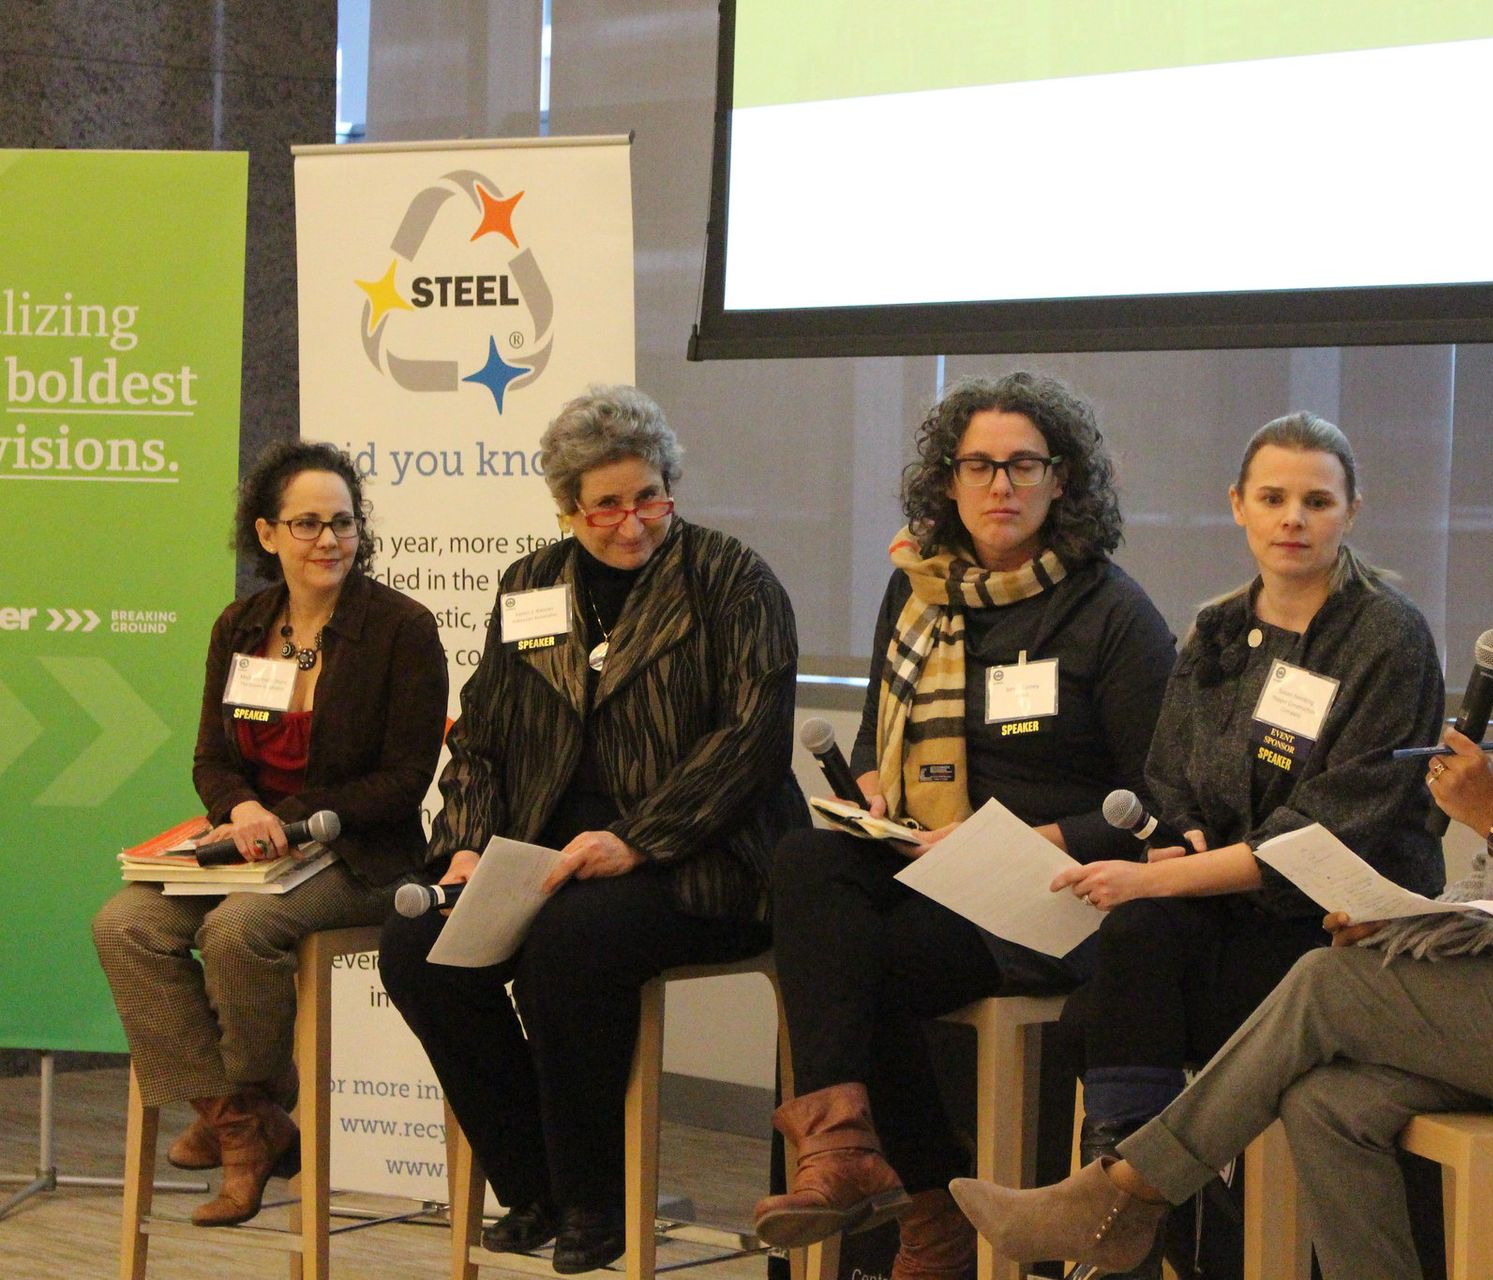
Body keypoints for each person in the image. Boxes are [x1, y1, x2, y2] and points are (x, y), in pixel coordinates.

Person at [949, 432, 1493, 1280]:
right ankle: (1129, 1197)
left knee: (1324, 982)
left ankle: (1126, 1195)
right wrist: (1421, 926)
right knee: (1327, 1099)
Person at [752, 371, 1176, 1280]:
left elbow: (1156, 804)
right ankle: (849, 1157)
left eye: (1024, 465)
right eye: (978, 465)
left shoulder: (1113, 613)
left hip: (1050, 888)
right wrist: (871, 789)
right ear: (947, 481)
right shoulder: (918, 590)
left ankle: (919, 1201)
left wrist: (1014, 844)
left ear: (1064, 480)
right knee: (803, 857)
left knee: (858, 965)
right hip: (933, 862)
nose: (1001, 486)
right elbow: (877, 738)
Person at [378, 385, 808, 1275]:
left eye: (648, 495)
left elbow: (752, 742)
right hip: (546, 857)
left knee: (567, 945)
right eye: (605, 503)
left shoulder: (731, 578)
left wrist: (639, 840)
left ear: (670, 485)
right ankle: (531, 1180)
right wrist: (464, 841)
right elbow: (482, 738)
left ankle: (595, 1197)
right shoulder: (531, 583)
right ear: (568, 506)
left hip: (706, 859)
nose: (631, 521)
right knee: (417, 942)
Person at [1046, 412, 1444, 1278]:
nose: (1292, 518)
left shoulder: (1387, 635)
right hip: (1228, 915)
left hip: (1341, 937)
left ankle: (1121, 1202)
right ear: (1238, 506)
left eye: (1316, 500)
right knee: (1131, 945)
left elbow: (1331, 830)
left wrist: (1170, 878)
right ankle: (1127, 1205)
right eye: (1273, 497)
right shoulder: (1217, 629)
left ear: (1352, 512)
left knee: (1101, 1002)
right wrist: (1181, 835)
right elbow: (1172, 774)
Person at [93, 440, 449, 1227]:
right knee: (123, 925)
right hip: (248, 845)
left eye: (345, 523)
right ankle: (240, 1120)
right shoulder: (241, 625)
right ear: (266, 534)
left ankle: (251, 1107)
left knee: (237, 931)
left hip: (358, 854)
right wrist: (243, 812)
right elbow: (211, 758)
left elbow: (402, 781)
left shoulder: (402, 629)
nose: (330, 541)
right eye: (308, 524)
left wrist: (289, 823)